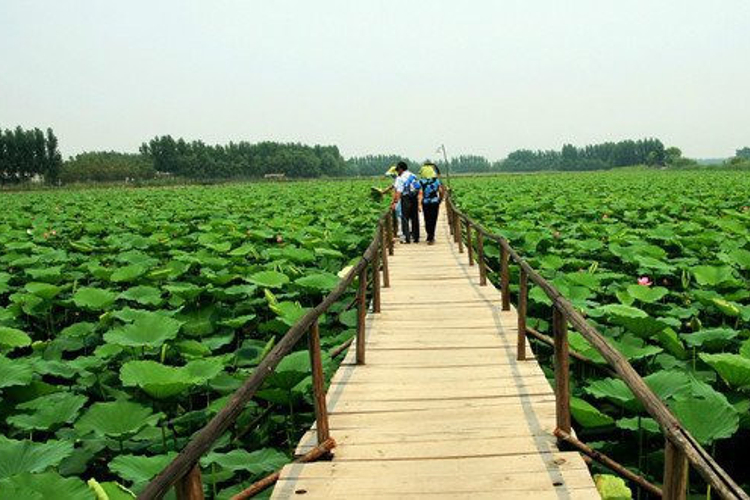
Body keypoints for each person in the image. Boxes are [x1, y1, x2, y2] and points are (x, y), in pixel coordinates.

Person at [390, 161, 422, 243]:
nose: (397, 172)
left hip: (406, 198)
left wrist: (394, 202)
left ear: (401, 169)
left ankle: (407, 238)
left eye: (398, 170)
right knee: (414, 218)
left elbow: (399, 191)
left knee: (405, 218)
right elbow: (418, 187)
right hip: (414, 197)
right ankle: (416, 237)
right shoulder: (413, 175)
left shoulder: (400, 178)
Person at [419, 161, 446, 244]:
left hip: (425, 202)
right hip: (434, 201)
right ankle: (432, 236)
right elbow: (441, 191)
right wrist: (440, 199)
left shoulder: (421, 181)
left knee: (427, 219)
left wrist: (419, 203)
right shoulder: (437, 181)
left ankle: (429, 235)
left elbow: (419, 193)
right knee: (433, 219)